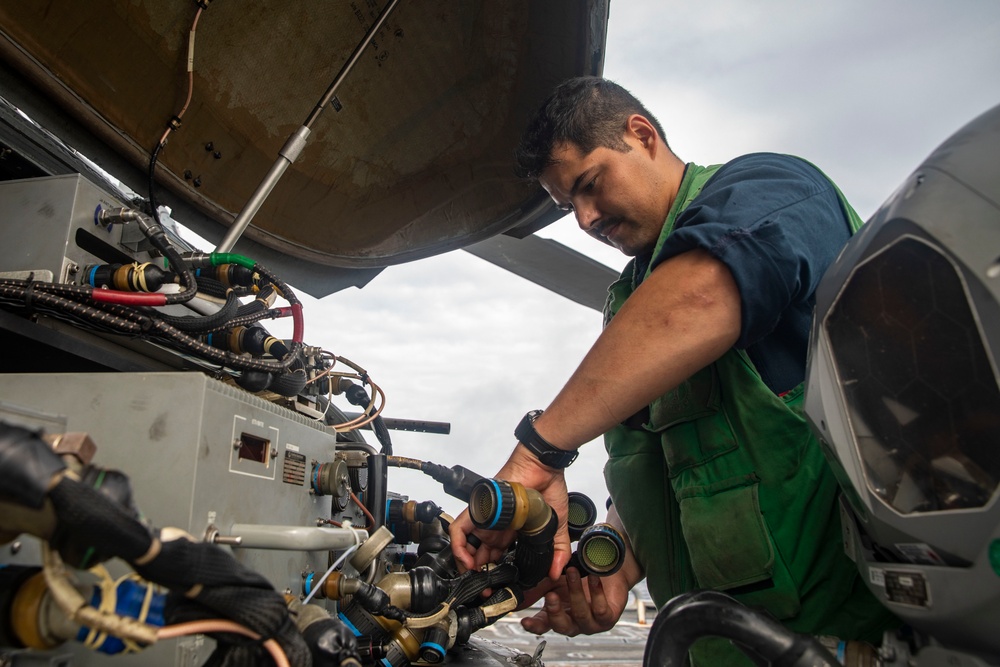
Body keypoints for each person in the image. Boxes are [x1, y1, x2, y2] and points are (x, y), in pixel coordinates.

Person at [449, 76, 898, 665]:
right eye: (568, 207)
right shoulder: (631, 303)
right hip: (711, 645)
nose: (583, 219)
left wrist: (539, 452)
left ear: (642, 134)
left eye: (589, 185)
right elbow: (646, 468)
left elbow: (703, 295)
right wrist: (610, 563)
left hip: (842, 639)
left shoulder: (772, 187)